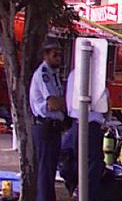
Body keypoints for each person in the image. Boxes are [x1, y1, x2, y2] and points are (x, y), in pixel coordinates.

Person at [64, 57, 110, 201]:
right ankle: (87, 195)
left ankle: (76, 189)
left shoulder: (73, 74)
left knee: (74, 160)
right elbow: (106, 103)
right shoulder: (97, 77)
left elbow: (68, 102)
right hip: (91, 126)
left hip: (76, 123)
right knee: (92, 166)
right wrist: (106, 120)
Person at [29, 39, 66, 201]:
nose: (58, 58)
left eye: (60, 55)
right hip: (45, 127)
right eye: (54, 54)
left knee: (50, 172)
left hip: (54, 127)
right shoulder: (43, 74)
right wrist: (69, 102)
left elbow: (60, 104)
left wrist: (64, 104)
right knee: (45, 173)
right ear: (45, 55)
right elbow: (53, 104)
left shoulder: (54, 74)